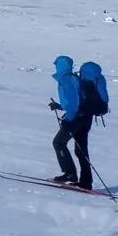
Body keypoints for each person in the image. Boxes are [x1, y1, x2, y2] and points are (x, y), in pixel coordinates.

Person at [47, 55, 97, 190]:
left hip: (76, 118)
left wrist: (68, 119)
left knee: (58, 142)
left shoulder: (66, 79)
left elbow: (74, 102)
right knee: (81, 150)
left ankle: (69, 174)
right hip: (86, 117)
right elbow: (76, 100)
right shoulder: (75, 78)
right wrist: (59, 106)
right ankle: (86, 182)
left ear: (60, 66)